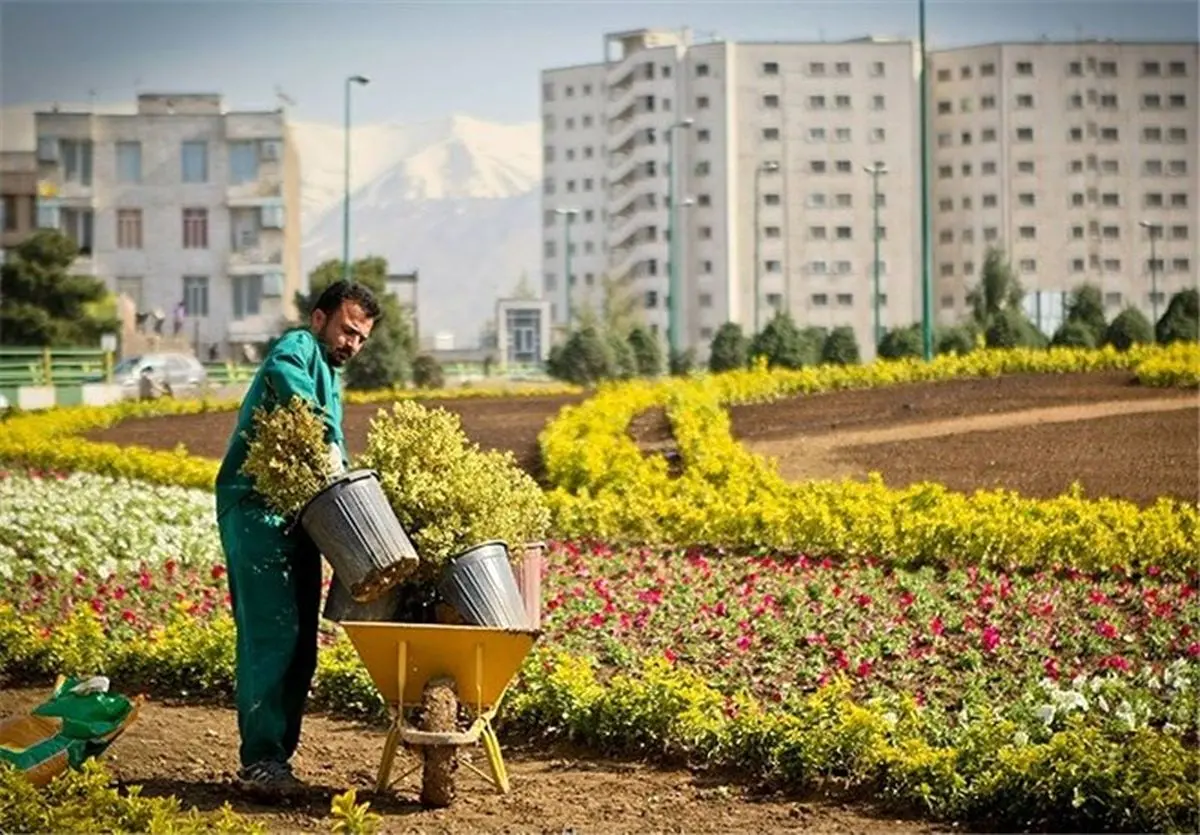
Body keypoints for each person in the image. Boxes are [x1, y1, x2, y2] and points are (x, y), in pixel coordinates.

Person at [215, 281, 380, 797]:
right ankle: (260, 761)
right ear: (319, 319)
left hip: (302, 516)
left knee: (302, 644)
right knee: (273, 637)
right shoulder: (299, 348)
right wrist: (321, 430)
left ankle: (276, 760)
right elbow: (288, 379)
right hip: (258, 512)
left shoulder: (331, 373)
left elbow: (335, 450)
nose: (352, 343)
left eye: (361, 338)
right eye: (348, 330)